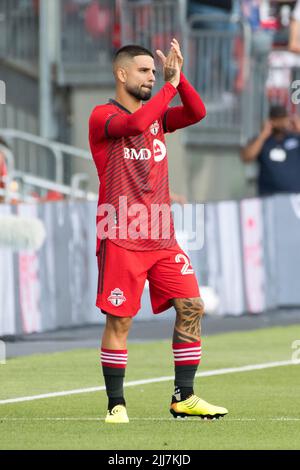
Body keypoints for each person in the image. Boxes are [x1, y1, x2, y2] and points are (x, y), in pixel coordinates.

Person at [89, 39, 228, 423]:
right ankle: (116, 405)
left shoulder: (159, 117)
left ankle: (184, 396)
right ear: (121, 74)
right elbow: (134, 122)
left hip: (162, 238)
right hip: (120, 235)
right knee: (120, 321)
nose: (151, 76)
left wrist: (178, 82)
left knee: (192, 306)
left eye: (154, 70)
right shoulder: (103, 115)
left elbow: (196, 112)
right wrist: (169, 86)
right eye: (144, 71)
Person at [241, 104, 300, 196]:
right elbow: (246, 157)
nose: (281, 123)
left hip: (295, 197)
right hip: (268, 197)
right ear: (271, 120)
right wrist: (263, 135)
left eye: (283, 118)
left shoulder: (295, 138)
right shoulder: (262, 140)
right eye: (277, 119)